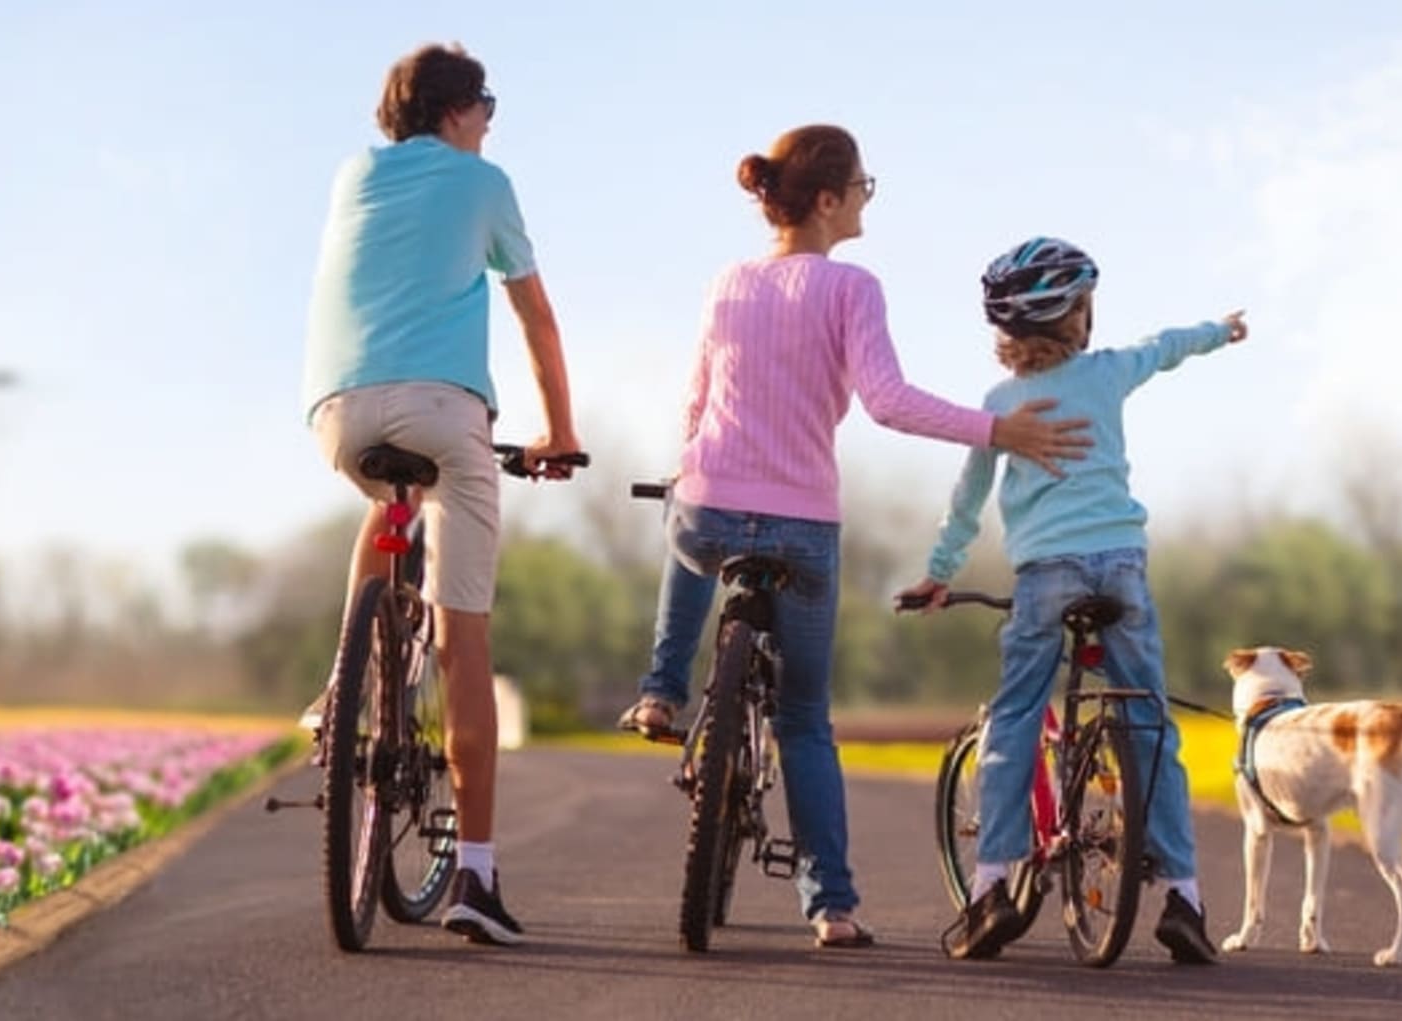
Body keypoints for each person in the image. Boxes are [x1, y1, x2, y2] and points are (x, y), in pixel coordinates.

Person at [611, 124, 1096, 949]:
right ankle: (831, 907)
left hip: (711, 512)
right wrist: (994, 431)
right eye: (865, 186)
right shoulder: (852, 288)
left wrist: (696, 472)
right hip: (802, 526)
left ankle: (662, 684)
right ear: (828, 200)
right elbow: (888, 401)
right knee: (803, 718)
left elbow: (698, 403)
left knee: (684, 513)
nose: (869, 199)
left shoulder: (725, 282)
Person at [296, 42, 581, 947]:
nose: (492, 119)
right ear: (458, 111)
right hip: (445, 411)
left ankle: (343, 686)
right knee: (464, 640)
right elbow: (535, 313)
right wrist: (559, 432)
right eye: (487, 102)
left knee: (385, 506)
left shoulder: (353, 174)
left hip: (338, 413)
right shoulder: (483, 179)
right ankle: (477, 878)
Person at [896, 237, 1241, 965]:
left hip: (1045, 575)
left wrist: (938, 570)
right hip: (1122, 567)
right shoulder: (1110, 372)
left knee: (1018, 712)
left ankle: (991, 886)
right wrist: (1221, 331)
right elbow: (1166, 346)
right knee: (1148, 723)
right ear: (1077, 317)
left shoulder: (998, 406)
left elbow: (968, 500)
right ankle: (1184, 897)